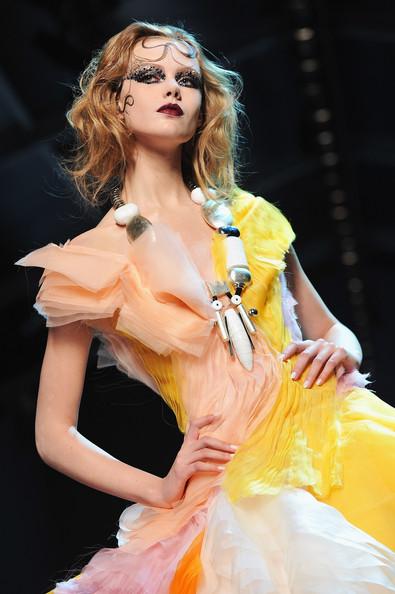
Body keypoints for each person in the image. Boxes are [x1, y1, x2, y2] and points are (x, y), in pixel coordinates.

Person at [15, 20, 395, 593]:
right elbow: (53, 432)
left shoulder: (250, 217)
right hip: (236, 483)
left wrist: (336, 349)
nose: (171, 87)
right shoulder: (92, 263)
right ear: (117, 101)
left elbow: (336, 328)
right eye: (149, 74)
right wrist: (161, 489)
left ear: (202, 106)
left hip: (342, 434)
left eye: (185, 79)